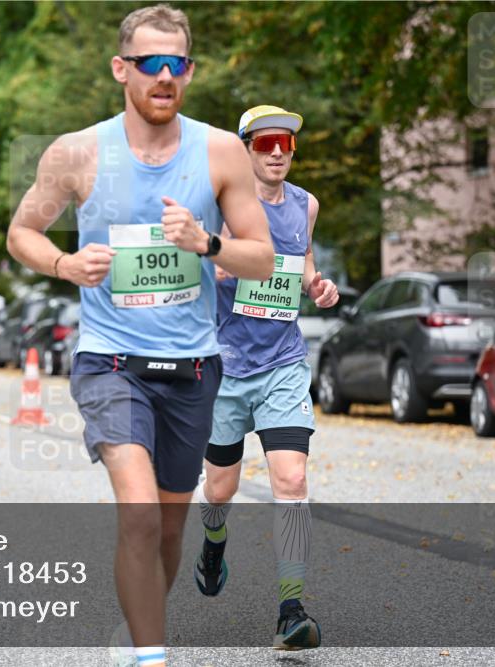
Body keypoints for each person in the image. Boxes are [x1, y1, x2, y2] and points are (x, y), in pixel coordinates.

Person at [6, 6, 274, 666]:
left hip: (193, 366)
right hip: (111, 359)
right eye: (150, 63)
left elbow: (264, 257)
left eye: (176, 64)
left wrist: (208, 242)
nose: (164, 76)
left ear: (189, 71)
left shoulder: (220, 151)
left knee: (170, 526)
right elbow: (21, 233)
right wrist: (66, 264)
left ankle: (137, 630)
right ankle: (152, 655)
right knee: (140, 511)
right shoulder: (76, 152)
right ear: (121, 69)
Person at [196, 105, 339, 651]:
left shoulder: (306, 204)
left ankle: (291, 610)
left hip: (282, 362)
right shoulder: (216, 205)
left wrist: (318, 288)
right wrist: (217, 264)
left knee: (292, 482)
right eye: (265, 142)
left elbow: (303, 269)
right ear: (245, 150)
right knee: (220, 489)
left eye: (286, 142)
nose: (277, 150)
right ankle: (213, 542)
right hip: (225, 370)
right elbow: (187, 267)